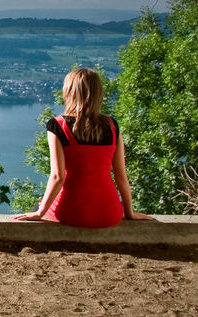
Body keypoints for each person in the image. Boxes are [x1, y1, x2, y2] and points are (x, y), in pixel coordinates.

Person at [13, 67, 153, 227]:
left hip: (72, 211)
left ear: (69, 92)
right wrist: (129, 212)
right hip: (108, 214)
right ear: (98, 94)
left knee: (38, 206)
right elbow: (121, 176)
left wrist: (39, 212)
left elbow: (58, 177)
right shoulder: (112, 126)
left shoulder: (58, 125)